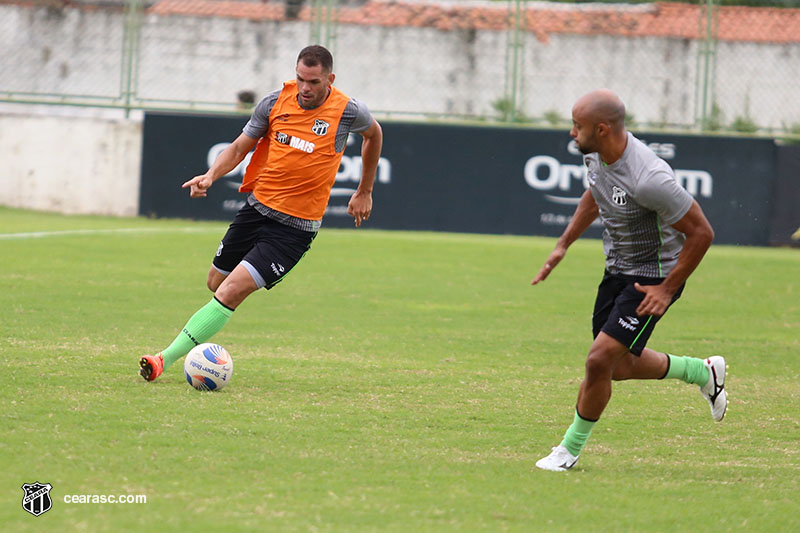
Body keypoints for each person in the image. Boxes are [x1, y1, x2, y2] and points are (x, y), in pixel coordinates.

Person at [139, 45, 383, 382]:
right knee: (215, 282)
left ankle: (162, 359)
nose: (305, 88)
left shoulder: (347, 111)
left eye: (313, 81)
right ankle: (218, 315)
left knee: (230, 291)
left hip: (294, 230)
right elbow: (240, 147)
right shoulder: (274, 103)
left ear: (330, 79)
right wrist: (211, 175)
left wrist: (365, 190)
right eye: (300, 79)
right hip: (256, 210)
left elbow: (375, 134)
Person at [532, 89, 726, 472]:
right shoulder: (596, 152)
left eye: (578, 125)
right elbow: (596, 192)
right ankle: (702, 372)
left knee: (598, 359)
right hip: (617, 270)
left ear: (601, 129)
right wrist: (563, 244)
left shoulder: (650, 179)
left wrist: (667, 288)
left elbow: (702, 232)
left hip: (653, 277)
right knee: (616, 368)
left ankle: (568, 451)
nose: (572, 133)